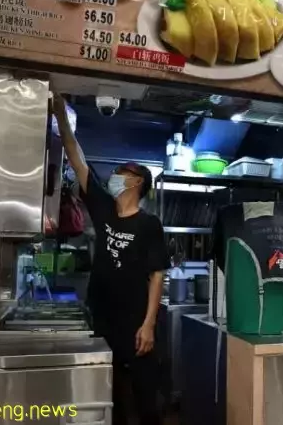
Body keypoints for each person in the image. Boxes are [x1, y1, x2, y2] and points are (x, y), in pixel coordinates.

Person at [52, 93, 170, 425]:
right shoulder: (103, 206)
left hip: (135, 320)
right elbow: (77, 159)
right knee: (110, 391)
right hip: (103, 316)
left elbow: (157, 274)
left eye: (121, 172)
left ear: (137, 181)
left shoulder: (149, 224)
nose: (114, 175)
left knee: (145, 396)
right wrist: (61, 116)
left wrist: (148, 324)